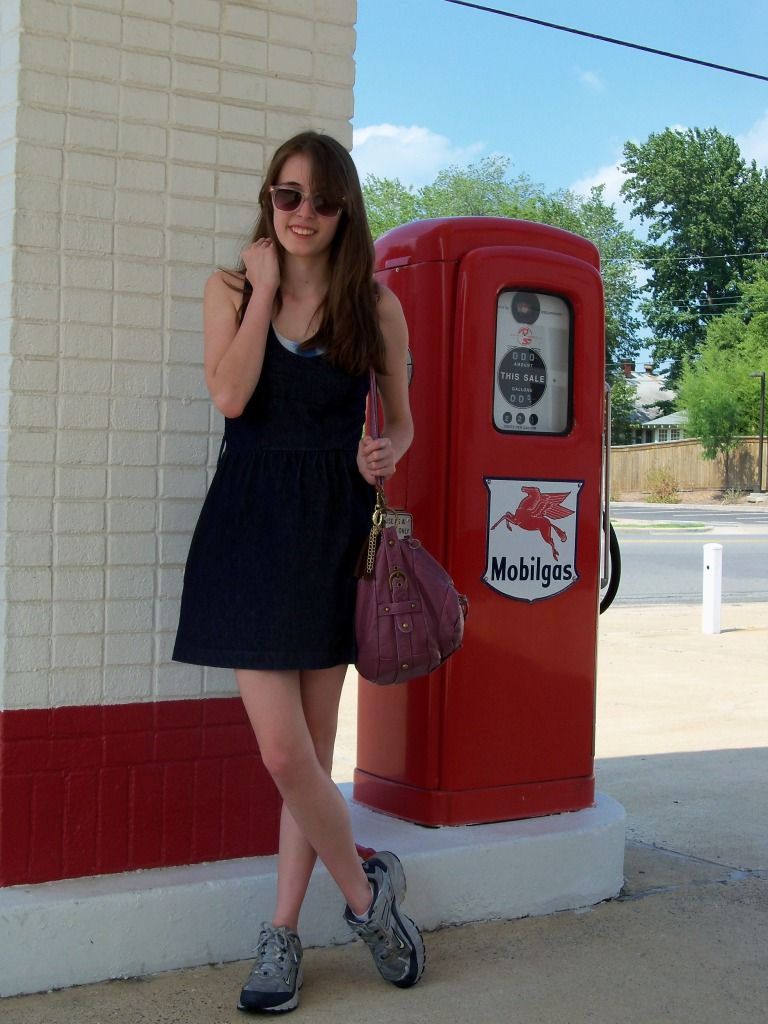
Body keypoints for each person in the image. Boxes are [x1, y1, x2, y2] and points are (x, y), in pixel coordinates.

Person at [172, 131, 422, 1013]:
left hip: (333, 533)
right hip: (247, 531)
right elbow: (232, 396)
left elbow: (403, 423)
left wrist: (383, 454)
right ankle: (367, 898)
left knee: (312, 756)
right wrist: (268, 286)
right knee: (285, 753)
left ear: (345, 207)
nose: (302, 214)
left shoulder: (375, 306)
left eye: (320, 200)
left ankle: (281, 936)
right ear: (268, 202)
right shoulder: (232, 290)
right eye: (287, 197)